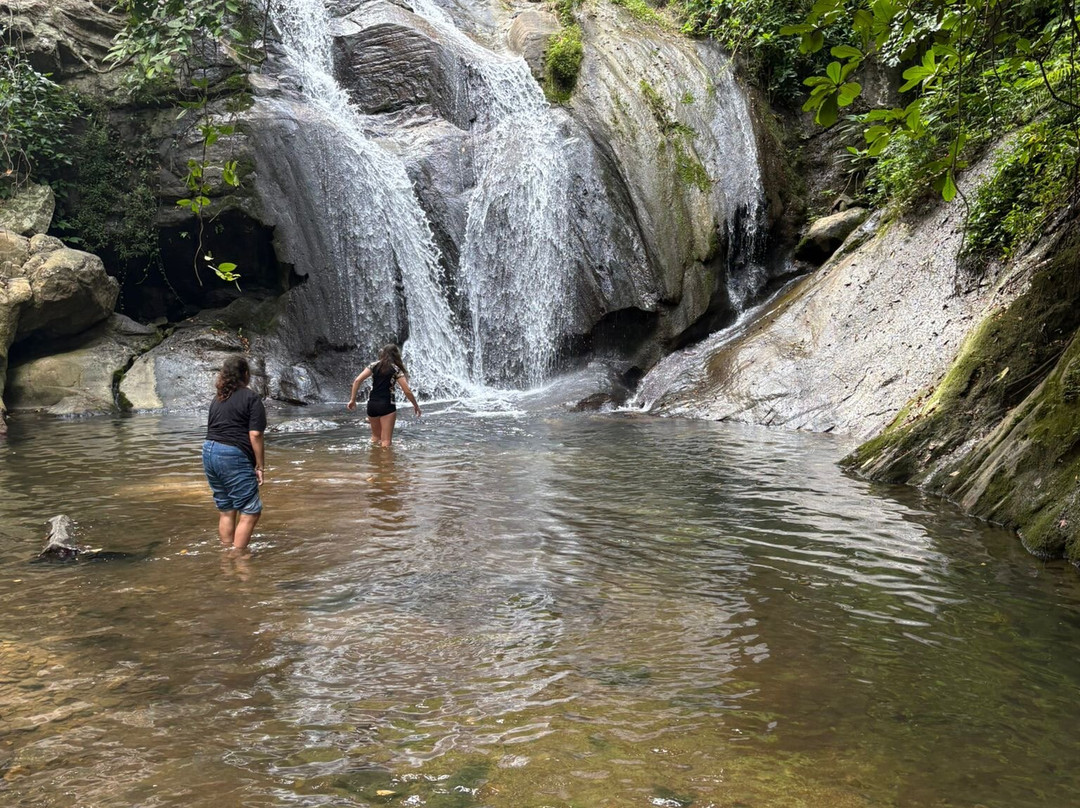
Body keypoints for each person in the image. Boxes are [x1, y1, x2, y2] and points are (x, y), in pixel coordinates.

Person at [202, 355, 266, 551]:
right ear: (246, 374)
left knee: (227, 509)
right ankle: (238, 557)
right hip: (231, 454)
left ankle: (226, 554)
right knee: (250, 510)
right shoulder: (251, 398)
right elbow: (255, 435)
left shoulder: (218, 398)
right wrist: (260, 465)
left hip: (208, 452)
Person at [347, 344, 421, 447]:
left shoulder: (373, 366)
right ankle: (385, 463)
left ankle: (374, 461)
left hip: (372, 404)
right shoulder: (395, 369)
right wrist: (415, 405)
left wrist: (352, 400)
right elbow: (407, 390)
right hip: (387, 405)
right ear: (396, 355)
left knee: (375, 438)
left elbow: (357, 380)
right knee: (386, 441)